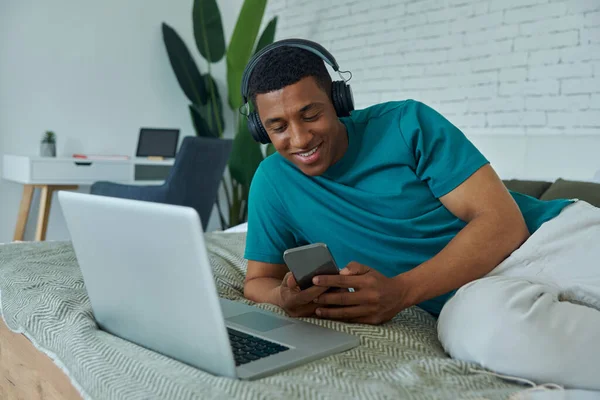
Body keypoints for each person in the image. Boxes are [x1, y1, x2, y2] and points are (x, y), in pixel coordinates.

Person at [240, 39, 600, 390]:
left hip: (546, 238)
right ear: (261, 128)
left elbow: (504, 224)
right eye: (278, 127)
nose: (299, 139)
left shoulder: (405, 122)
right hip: (470, 295)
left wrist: (402, 291)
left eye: (311, 114)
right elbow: (258, 281)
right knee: (478, 334)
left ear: (337, 100)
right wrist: (284, 299)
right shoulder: (272, 183)